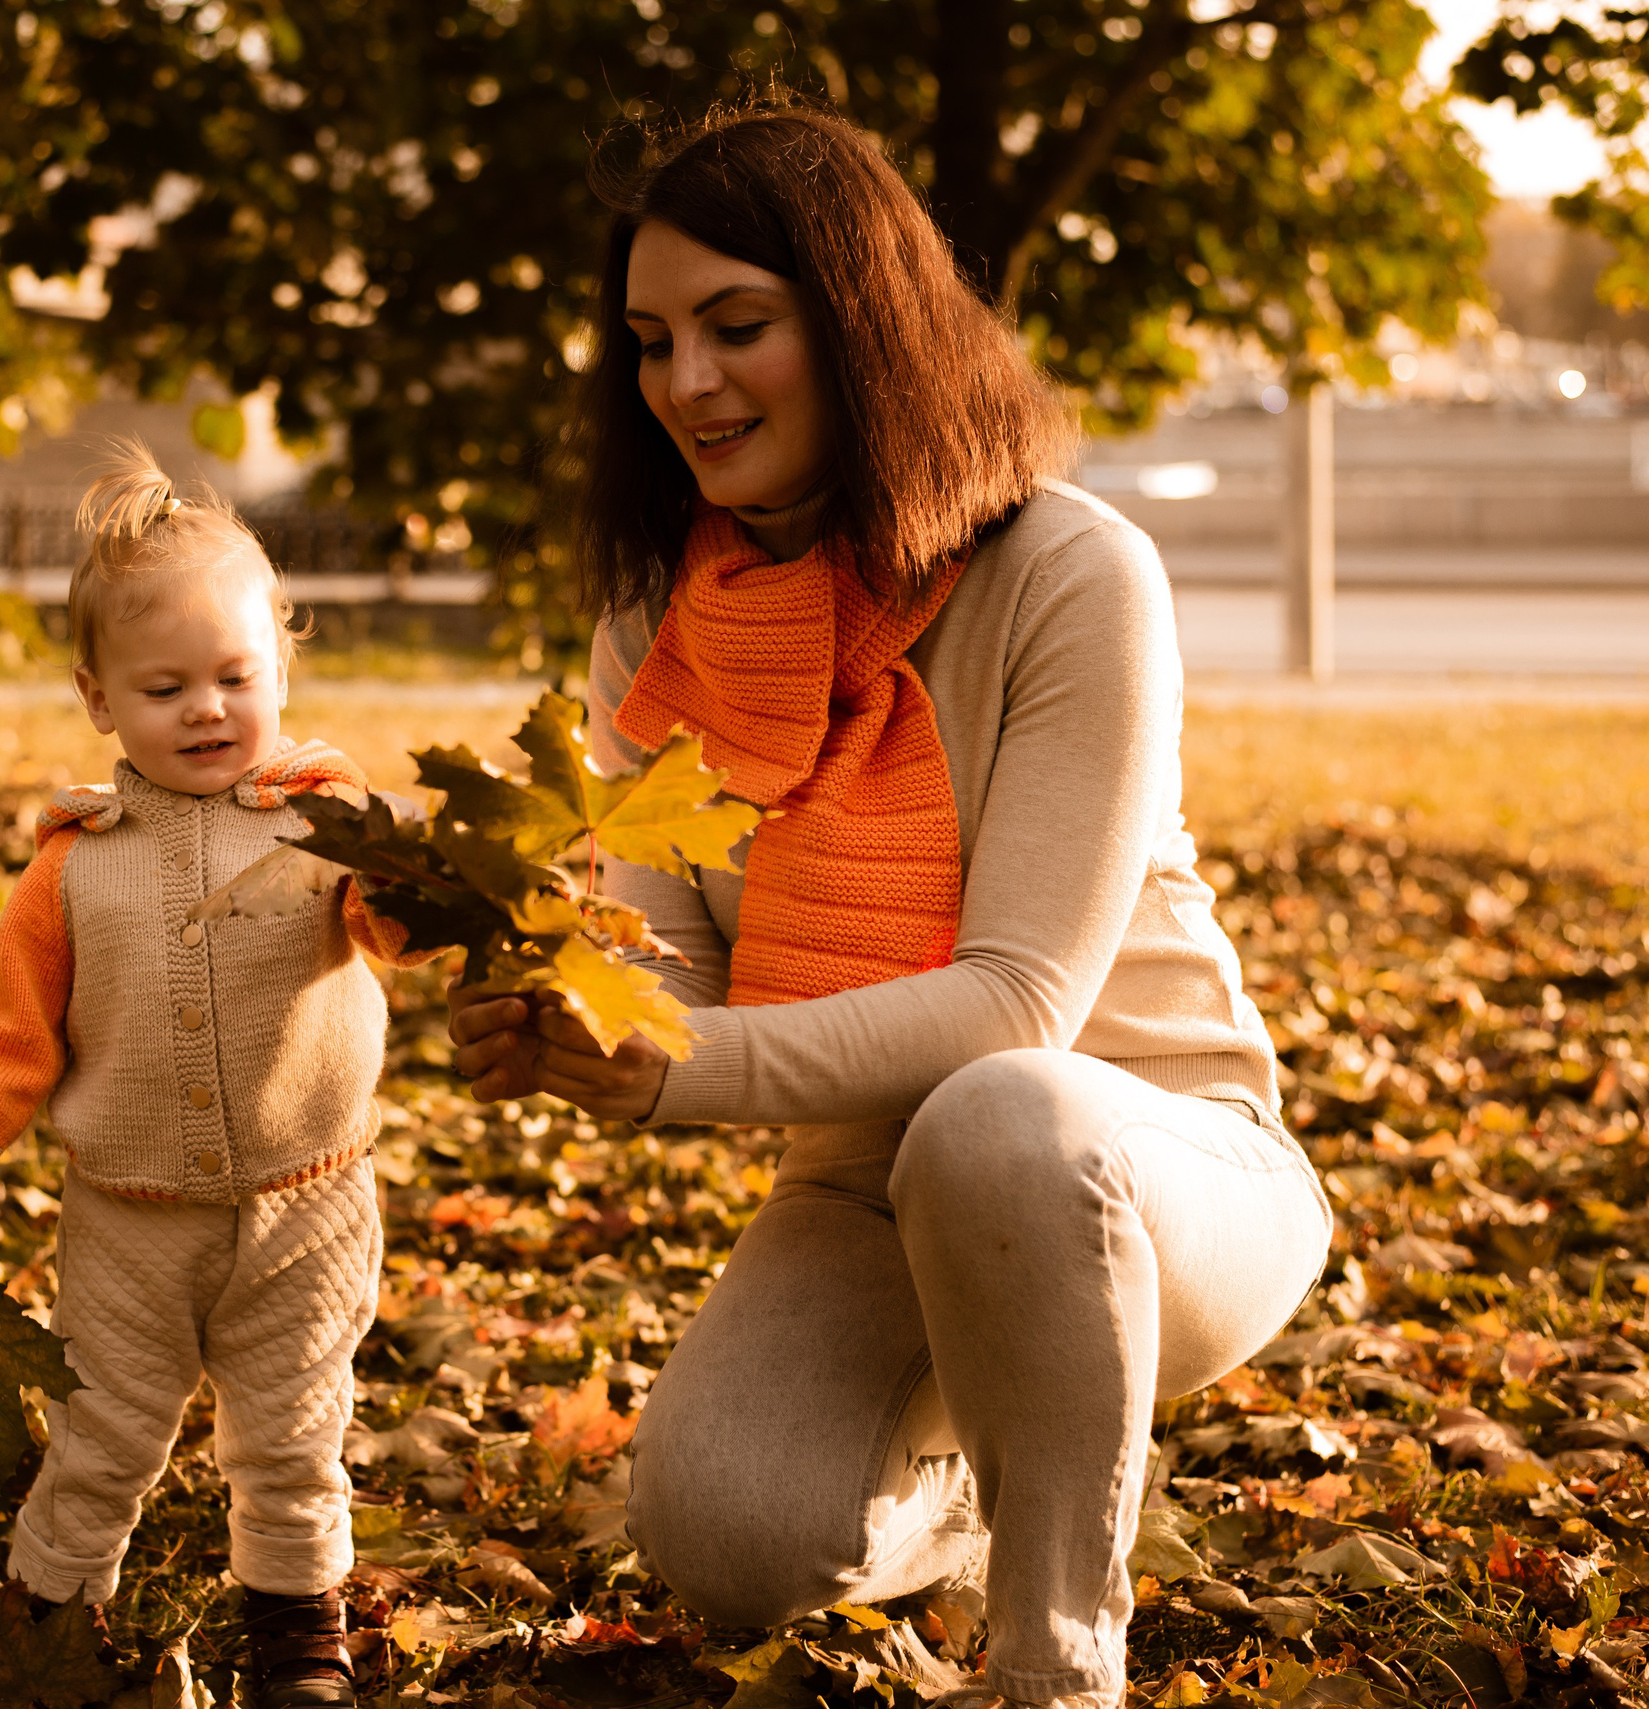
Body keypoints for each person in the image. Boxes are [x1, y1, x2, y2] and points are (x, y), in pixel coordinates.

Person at [445, 110, 1330, 1709]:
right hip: (863, 1187)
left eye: (739, 326)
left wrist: (674, 1068)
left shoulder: (1072, 572)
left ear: (862, 321)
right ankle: (1035, 1446)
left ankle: (1062, 1656)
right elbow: (675, 994)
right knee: (724, 1531)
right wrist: (554, 1000)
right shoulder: (658, 622)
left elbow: (1017, 1009)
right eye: (651, 343)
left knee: (1000, 1115)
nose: (688, 385)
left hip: (1142, 1163)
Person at [0, 444, 428, 1709]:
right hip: (128, 1222)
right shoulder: (76, 865)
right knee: (103, 1433)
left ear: (281, 670)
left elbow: (396, 933)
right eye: (165, 684)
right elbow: (5, 1019)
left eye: (237, 676)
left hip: (310, 1206)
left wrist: (410, 871)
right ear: (98, 696)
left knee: (296, 1433)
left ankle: (299, 1636)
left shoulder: (325, 821)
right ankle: (49, 1618)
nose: (206, 708)